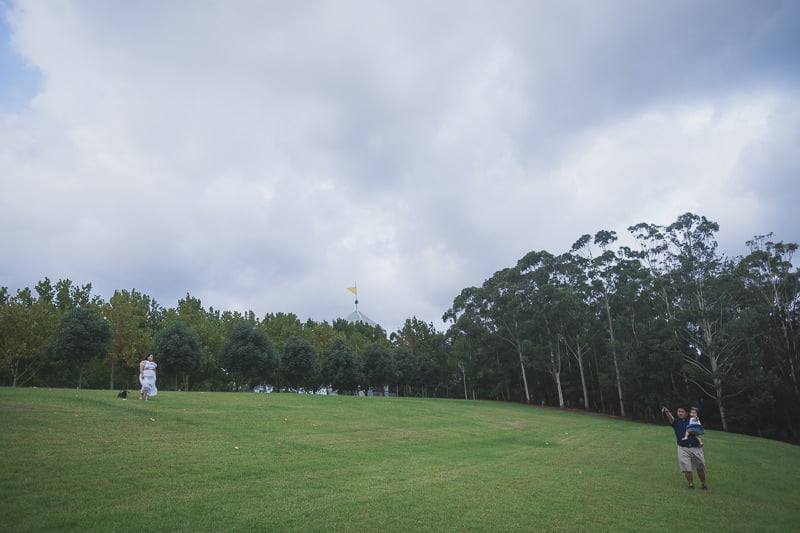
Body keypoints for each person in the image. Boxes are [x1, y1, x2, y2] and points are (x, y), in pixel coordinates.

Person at [661, 406, 708, 490]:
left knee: (700, 468)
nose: (680, 413)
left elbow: (701, 430)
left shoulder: (692, 420)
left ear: (686, 413)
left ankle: (703, 484)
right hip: (682, 448)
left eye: (682, 412)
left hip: (695, 447)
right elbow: (670, 418)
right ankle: (691, 484)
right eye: (678, 411)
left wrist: (697, 432)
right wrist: (667, 411)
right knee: (686, 468)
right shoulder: (676, 422)